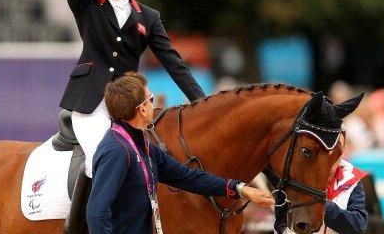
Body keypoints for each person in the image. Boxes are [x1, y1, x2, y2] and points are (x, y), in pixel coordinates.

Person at [58, 0, 207, 230]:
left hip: (130, 107)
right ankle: (78, 225)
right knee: (103, 161)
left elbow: (174, 64)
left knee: (158, 162)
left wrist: (203, 104)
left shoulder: (148, 17)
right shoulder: (87, 4)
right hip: (91, 103)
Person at [87, 72, 275, 234]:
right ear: (142, 109)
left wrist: (241, 189)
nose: (153, 104)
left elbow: (188, 177)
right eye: (150, 99)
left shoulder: (143, 146)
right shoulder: (116, 150)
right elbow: (97, 212)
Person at [274, 134, 369, 234]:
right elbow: (280, 222)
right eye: (328, 146)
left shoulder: (351, 179)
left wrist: (326, 207)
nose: (332, 152)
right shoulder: (295, 174)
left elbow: (359, 225)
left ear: (343, 150)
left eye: (337, 146)